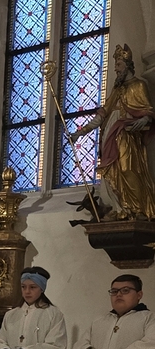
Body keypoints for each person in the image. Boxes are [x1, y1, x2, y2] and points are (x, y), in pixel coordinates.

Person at [69, 44, 155, 219]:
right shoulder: (116, 90)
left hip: (127, 135)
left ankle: (138, 209)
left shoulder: (139, 85)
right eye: (115, 65)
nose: (116, 69)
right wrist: (80, 132)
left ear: (128, 66)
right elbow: (101, 116)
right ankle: (122, 208)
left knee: (128, 169)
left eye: (119, 65)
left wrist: (145, 118)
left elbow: (148, 110)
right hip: (110, 136)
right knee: (113, 171)